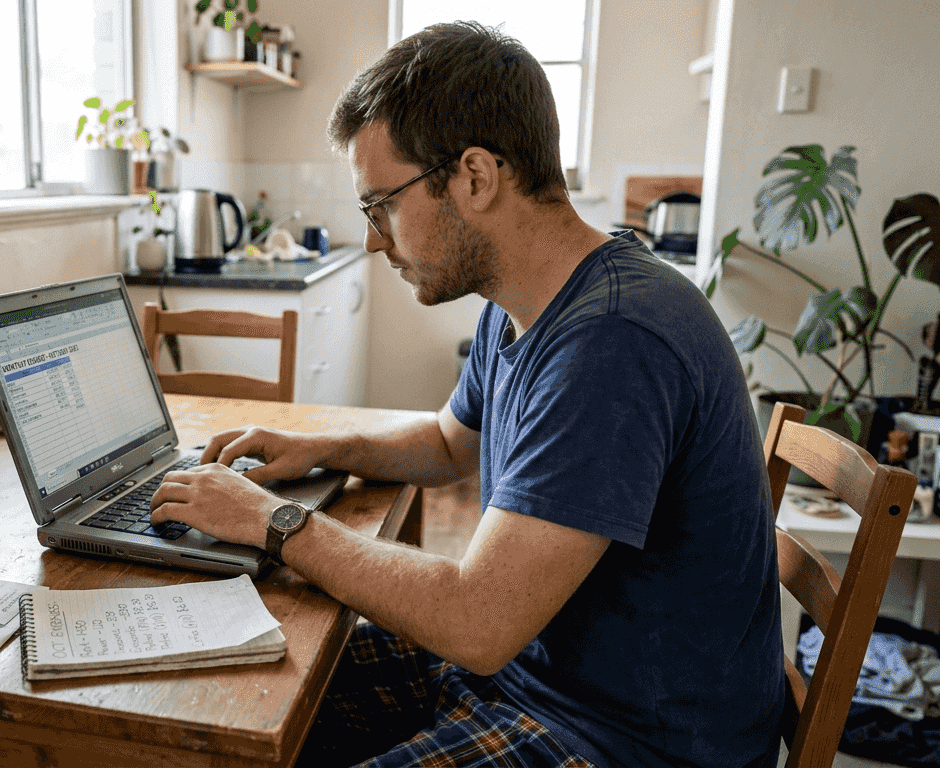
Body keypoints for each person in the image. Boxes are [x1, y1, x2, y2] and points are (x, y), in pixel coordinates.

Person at [150, 20, 783, 768]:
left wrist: (273, 520)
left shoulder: (615, 339)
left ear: (476, 176)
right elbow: (453, 442)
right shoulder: (526, 301)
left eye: (380, 205)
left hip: (628, 738)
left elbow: (476, 620)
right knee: (223, 711)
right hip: (530, 677)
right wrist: (321, 447)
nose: (376, 240)